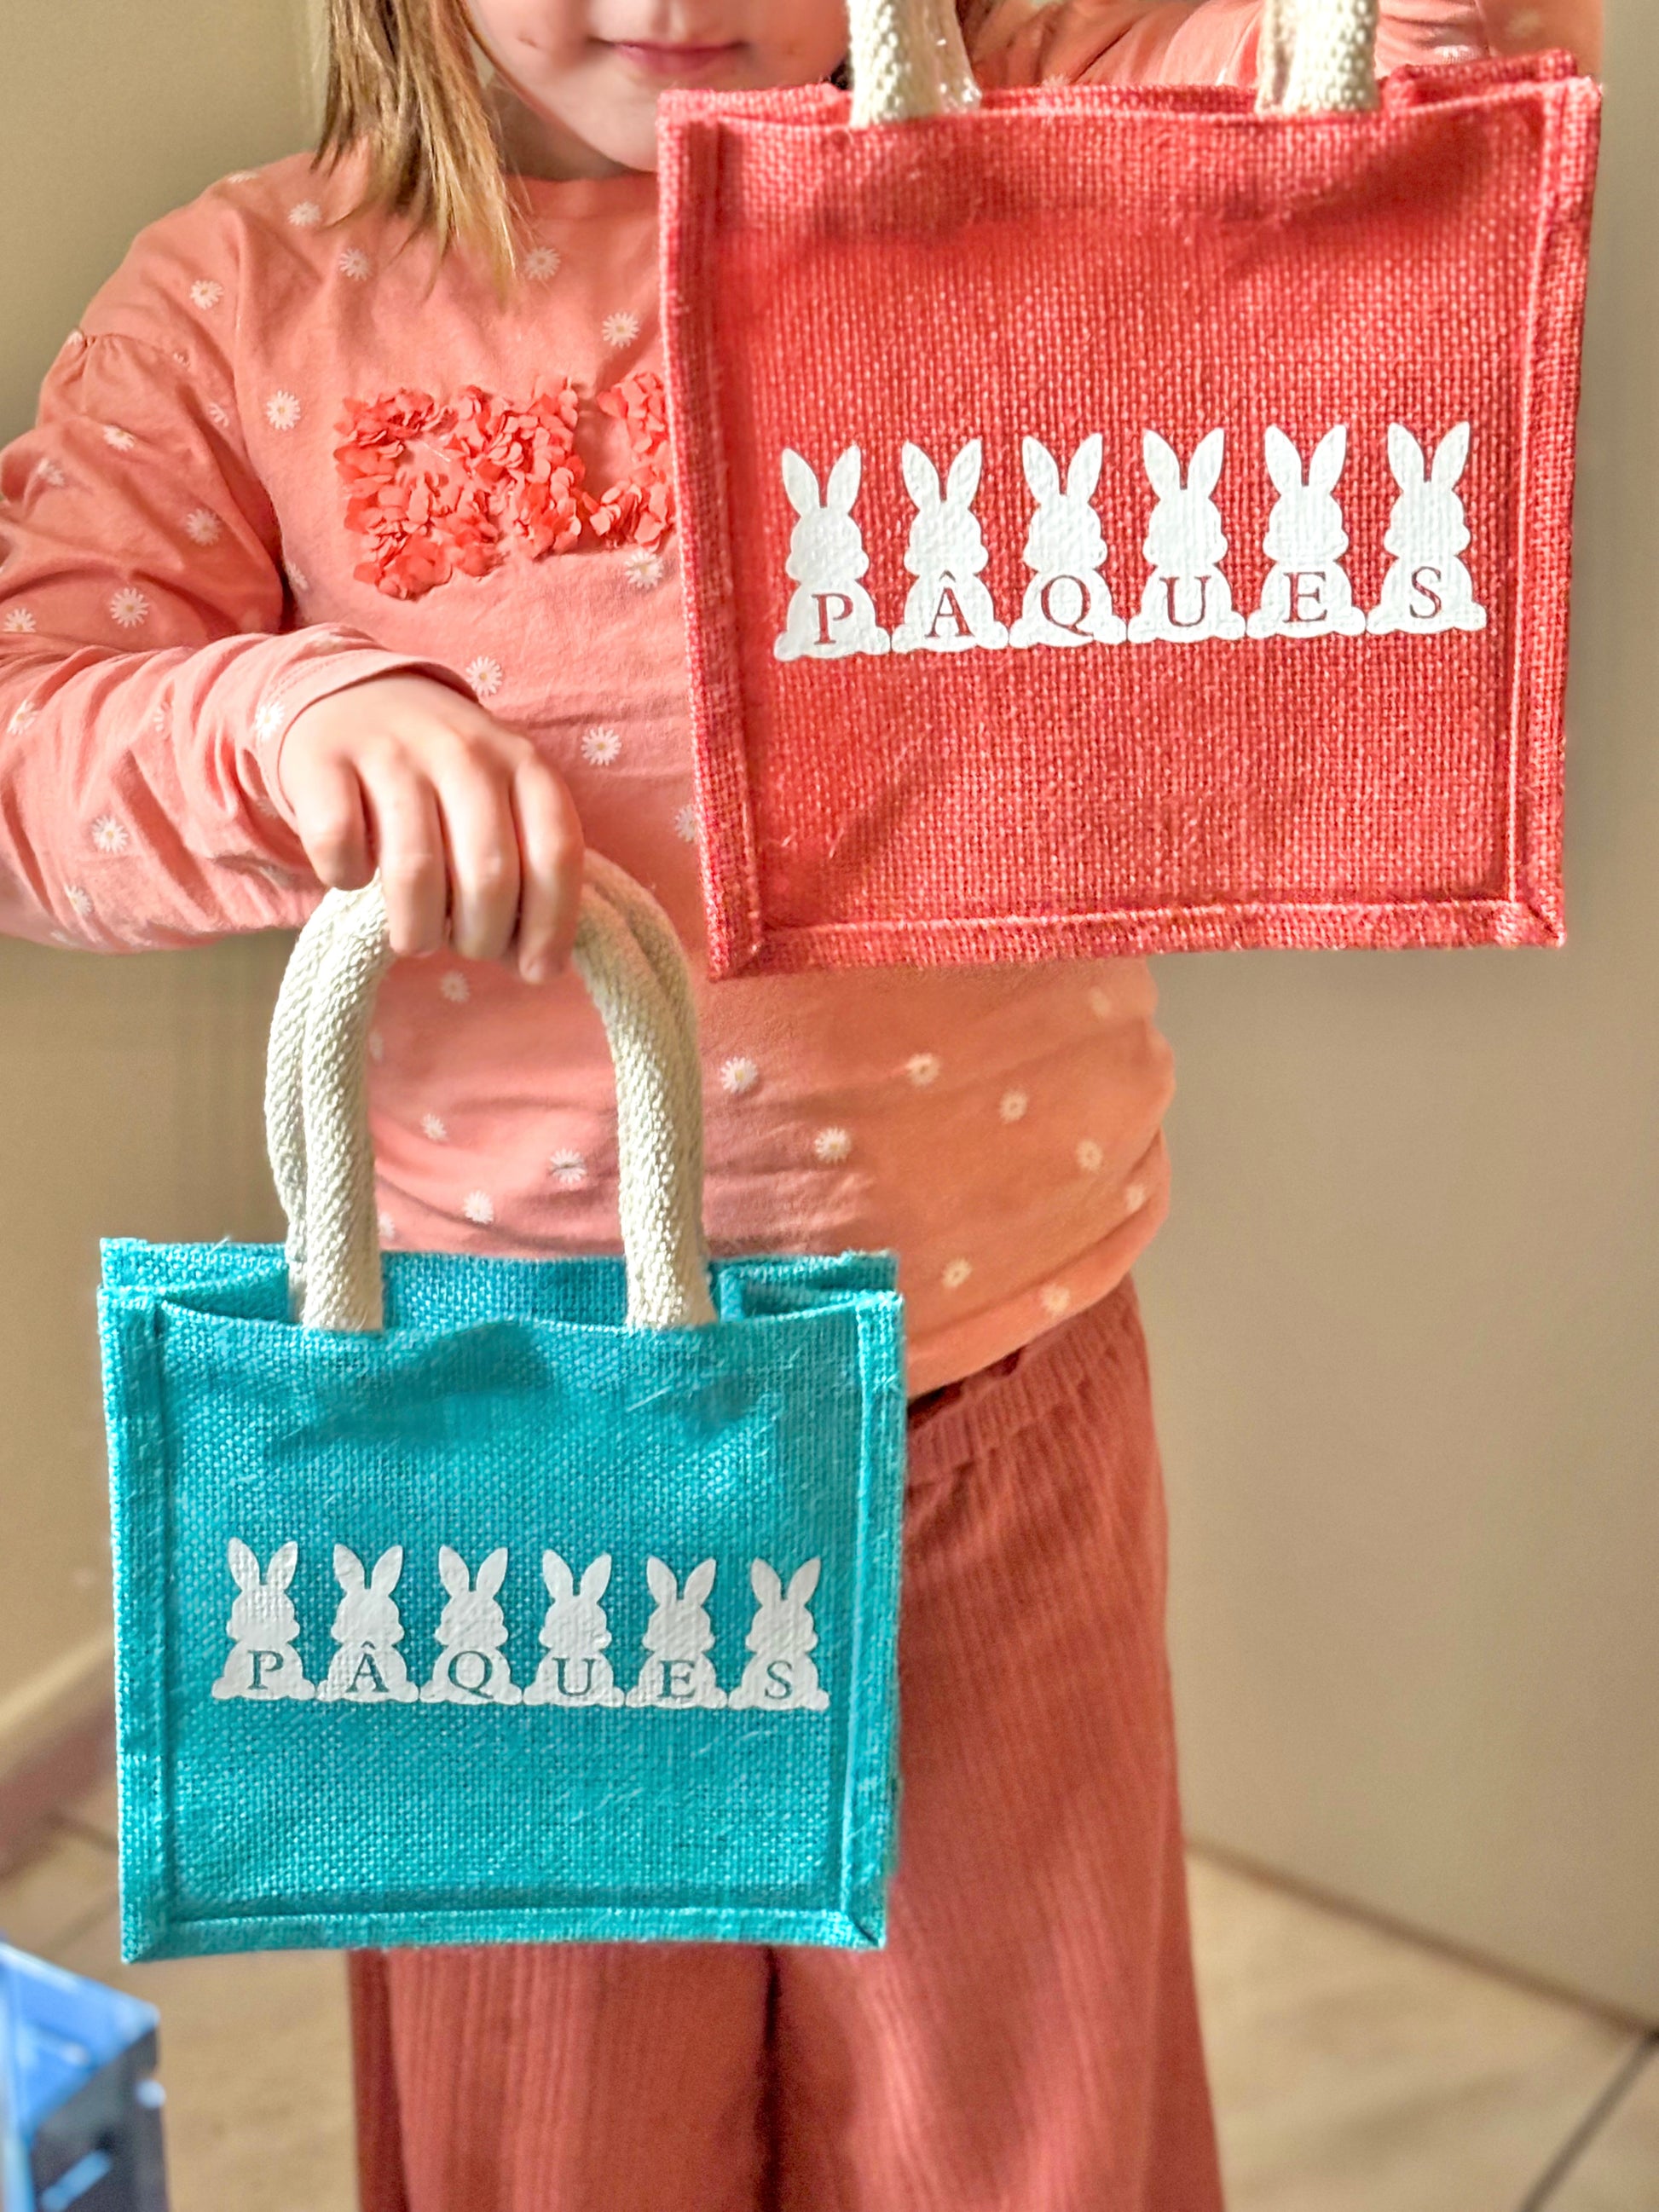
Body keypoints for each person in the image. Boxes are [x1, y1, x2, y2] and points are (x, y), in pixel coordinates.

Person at [0, 1, 1598, 2205]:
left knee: (1019, 2121)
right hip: (498, 1436)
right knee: (552, 2136)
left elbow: (1431, 78)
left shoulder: (1036, 129)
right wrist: (279, 724)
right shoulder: (244, 298)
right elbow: (33, 740)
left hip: (989, 1408)